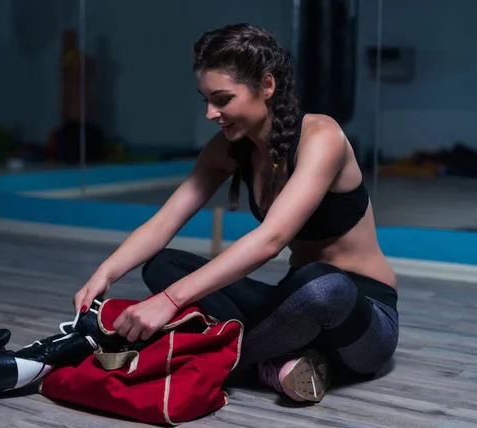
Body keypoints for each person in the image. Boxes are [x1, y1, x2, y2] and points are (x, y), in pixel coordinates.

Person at [72, 23, 399, 403]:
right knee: (164, 267)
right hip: (292, 311)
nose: (211, 112)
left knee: (324, 283)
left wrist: (170, 302)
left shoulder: (321, 136)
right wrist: (105, 273)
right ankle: (279, 358)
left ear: (267, 86)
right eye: (205, 100)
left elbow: (271, 240)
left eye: (222, 99)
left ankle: (209, 355)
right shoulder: (227, 148)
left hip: (359, 321)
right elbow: (164, 222)